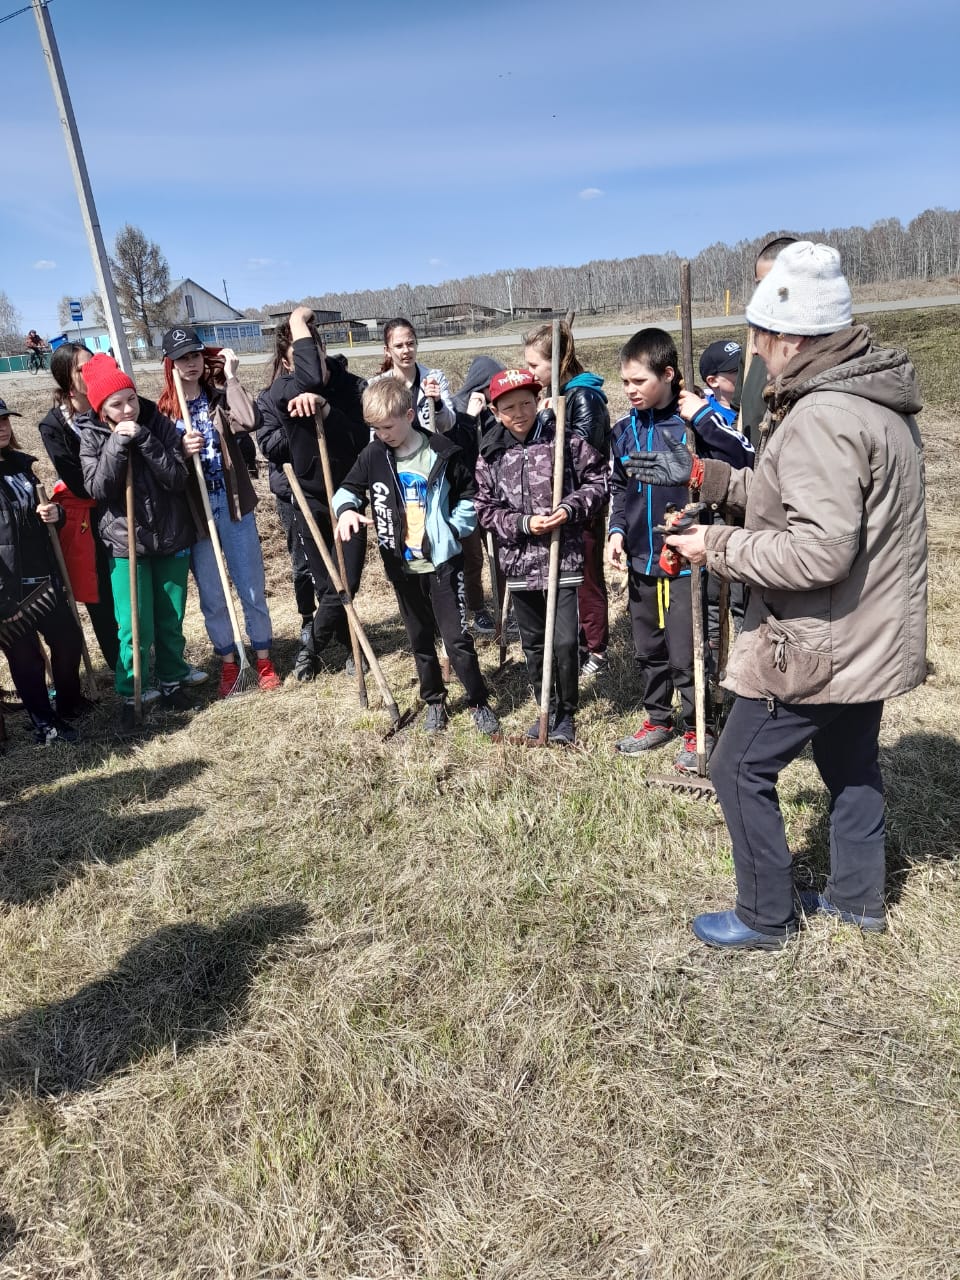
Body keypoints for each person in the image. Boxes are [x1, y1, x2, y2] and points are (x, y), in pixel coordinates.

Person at [627, 242, 927, 949]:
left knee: (737, 767)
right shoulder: (871, 400)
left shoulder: (825, 415)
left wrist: (716, 546)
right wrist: (715, 481)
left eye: (761, 336)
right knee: (850, 763)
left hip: (820, 640)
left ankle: (765, 914)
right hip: (867, 632)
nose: (756, 353)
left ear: (790, 336)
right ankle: (857, 899)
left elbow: (819, 550)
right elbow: (800, 502)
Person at [609, 329, 754, 771]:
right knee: (647, 646)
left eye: (639, 381)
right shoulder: (623, 431)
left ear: (668, 374)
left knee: (686, 649)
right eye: (626, 382)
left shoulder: (695, 425)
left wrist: (706, 416)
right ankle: (658, 718)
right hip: (640, 558)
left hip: (687, 559)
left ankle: (699, 727)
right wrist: (617, 530)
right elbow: (619, 486)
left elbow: (746, 463)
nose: (630, 390)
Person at [334, 379, 499, 736]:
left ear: (409, 415)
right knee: (419, 637)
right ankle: (435, 701)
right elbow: (348, 489)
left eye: (387, 427)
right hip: (401, 565)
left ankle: (478, 700)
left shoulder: (442, 450)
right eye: (374, 428)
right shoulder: (374, 455)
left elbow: (470, 496)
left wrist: (453, 530)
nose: (381, 434)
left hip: (442, 563)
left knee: (455, 638)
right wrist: (347, 509)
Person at [475, 369, 607, 745]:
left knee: (565, 641)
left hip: (560, 558)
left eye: (527, 403)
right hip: (518, 562)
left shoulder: (563, 440)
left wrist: (569, 508)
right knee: (533, 642)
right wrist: (522, 523)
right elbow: (484, 508)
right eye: (509, 407)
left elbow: (598, 482)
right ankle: (544, 705)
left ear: (539, 402)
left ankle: (566, 713)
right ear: (496, 410)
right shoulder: (491, 452)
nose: (519, 412)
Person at [157, 326, 279, 696]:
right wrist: (180, 448)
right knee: (212, 594)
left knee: (251, 587)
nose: (190, 363)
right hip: (196, 515)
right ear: (171, 364)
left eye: (195, 355)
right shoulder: (163, 412)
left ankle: (263, 657)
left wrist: (232, 376)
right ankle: (229, 662)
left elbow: (250, 421)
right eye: (182, 358)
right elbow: (160, 465)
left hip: (233, 507)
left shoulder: (220, 399)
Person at [78, 355, 198, 731]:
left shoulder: (157, 424)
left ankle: (172, 680)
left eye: (130, 398)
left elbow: (177, 477)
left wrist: (144, 439)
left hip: (171, 536)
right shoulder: (92, 437)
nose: (127, 408)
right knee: (134, 626)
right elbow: (98, 488)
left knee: (170, 618)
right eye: (116, 404)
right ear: (102, 409)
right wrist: (116, 446)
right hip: (125, 543)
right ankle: (132, 692)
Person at [265, 306, 369, 681]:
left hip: (350, 497)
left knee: (349, 581)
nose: (313, 365)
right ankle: (352, 644)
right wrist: (296, 324)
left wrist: (326, 410)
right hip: (309, 501)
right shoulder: (282, 390)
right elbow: (306, 379)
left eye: (315, 353)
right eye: (300, 358)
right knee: (327, 586)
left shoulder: (352, 386)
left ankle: (311, 649)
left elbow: (362, 439)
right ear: (289, 363)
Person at [524, 321, 611, 679]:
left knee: (586, 576)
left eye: (534, 365)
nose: (529, 372)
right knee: (566, 578)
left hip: (581, 506)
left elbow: (581, 457)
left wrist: (548, 419)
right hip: (558, 504)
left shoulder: (582, 398)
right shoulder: (557, 396)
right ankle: (573, 641)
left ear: (557, 362)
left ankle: (597, 649)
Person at [0, 398, 85, 744]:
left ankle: (67, 702)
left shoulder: (21, 467)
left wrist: (54, 514)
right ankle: (43, 722)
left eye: (4, 420)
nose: (3, 427)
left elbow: (42, 511)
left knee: (68, 640)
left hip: (43, 580)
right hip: (8, 587)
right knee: (26, 659)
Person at [37, 342, 120, 671]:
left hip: (121, 509)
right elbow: (77, 480)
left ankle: (148, 653)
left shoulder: (112, 404)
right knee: (100, 591)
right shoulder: (54, 425)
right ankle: (119, 665)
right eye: (82, 369)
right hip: (88, 516)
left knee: (130, 587)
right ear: (67, 380)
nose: (92, 372)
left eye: (94, 364)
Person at [256, 328, 317, 640]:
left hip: (325, 488)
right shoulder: (269, 398)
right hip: (291, 491)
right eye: (300, 358)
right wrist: (299, 423)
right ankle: (308, 618)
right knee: (302, 559)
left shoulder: (326, 391)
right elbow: (268, 444)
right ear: (287, 361)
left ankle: (341, 621)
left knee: (333, 559)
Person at [451, 355, 505, 636]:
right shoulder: (457, 408)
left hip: (494, 494)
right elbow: (457, 451)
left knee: (500, 554)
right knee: (473, 558)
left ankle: (505, 606)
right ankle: (477, 608)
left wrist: (496, 416)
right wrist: (470, 419)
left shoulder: (495, 410)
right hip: (468, 497)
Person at [733, 236, 797, 444]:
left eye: (774, 286)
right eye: (760, 286)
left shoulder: (813, 347)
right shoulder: (752, 347)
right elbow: (741, 415)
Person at [375, 318, 456, 433]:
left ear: (417, 344)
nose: (406, 350)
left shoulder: (434, 378)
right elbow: (374, 434)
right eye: (399, 346)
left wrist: (438, 403)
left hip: (429, 449)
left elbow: (447, 425)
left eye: (410, 343)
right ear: (387, 351)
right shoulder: (377, 386)